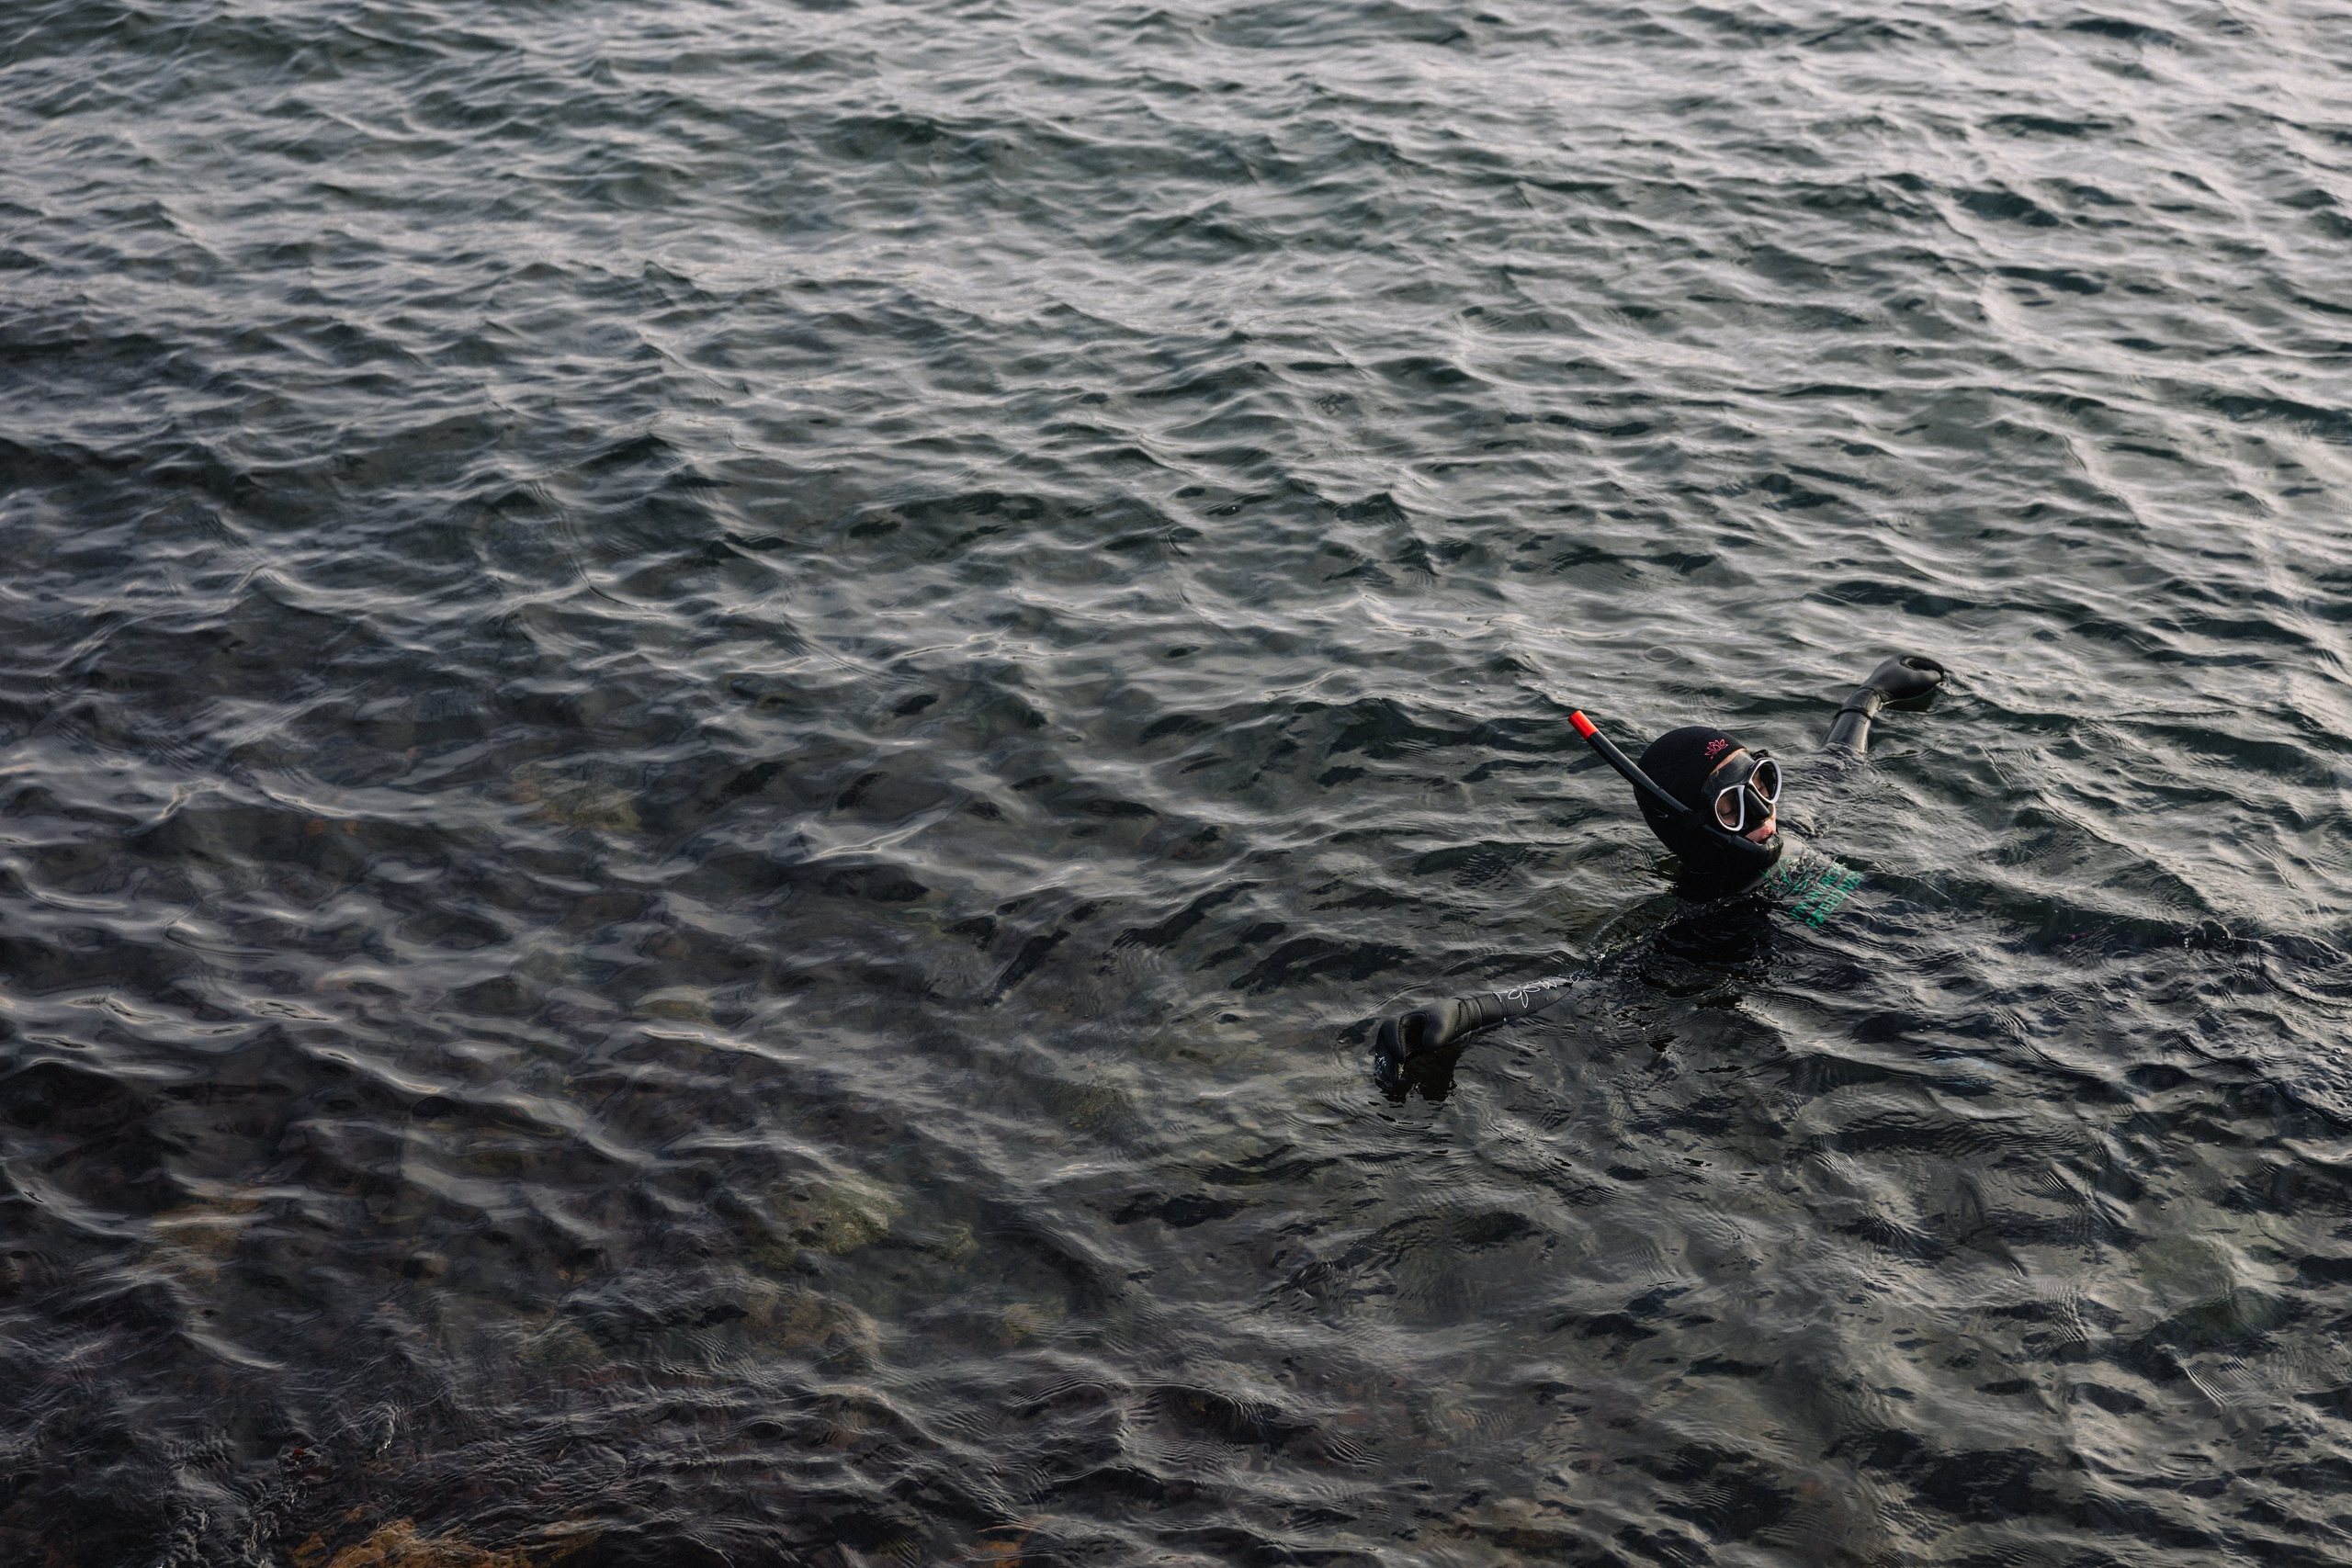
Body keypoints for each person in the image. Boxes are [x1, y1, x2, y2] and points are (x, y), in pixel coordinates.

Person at [1373, 654, 1947, 1075]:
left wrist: (1869, 696)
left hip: (1933, 954)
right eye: (1731, 807)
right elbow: (1588, 984)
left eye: (1763, 782)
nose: (1764, 814)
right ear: (1694, 833)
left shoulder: (1793, 830)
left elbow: (1840, 761)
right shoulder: (1705, 925)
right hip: (1882, 1015)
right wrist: (1469, 1011)